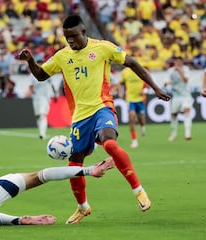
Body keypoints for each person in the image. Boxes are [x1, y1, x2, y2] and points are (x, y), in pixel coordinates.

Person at [18, 15, 171, 224]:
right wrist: (30, 61)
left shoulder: (103, 48)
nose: (69, 41)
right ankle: (83, 207)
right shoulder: (62, 56)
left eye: (73, 36)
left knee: (109, 143)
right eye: (66, 37)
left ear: (83, 32)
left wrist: (155, 87)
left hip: (102, 107)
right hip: (80, 117)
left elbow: (132, 63)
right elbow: (41, 75)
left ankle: (139, 191)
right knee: (74, 164)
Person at [117, 66, 148, 148]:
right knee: (132, 118)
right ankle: (134, 140)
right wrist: (120, 92)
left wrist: (144, 91)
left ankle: (142, 126)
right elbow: (120, 83)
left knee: (141, 119)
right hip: (130, 99)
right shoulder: (125, 72)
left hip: (140, 99)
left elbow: (147, 82)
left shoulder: (141, 69)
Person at [165, 56, 192, 141]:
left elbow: (186, 80)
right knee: (174, 114)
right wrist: (167, 83)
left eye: (179, 62)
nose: (178, 63)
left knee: (186, 111)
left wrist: (180, 71)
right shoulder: (170, 71)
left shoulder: (186, 69)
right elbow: (167, 82)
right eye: (176, 62)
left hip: (186, 95)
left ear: (182, 62)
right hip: (176, 96)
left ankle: (188, 133)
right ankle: (173, 133)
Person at [25, 68, 57, 140]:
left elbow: (52, 85)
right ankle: (41, 131)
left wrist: (55, 94)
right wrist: (30, 92)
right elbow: (31, 86)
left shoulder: (47, 74)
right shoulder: (32, 76)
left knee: (43, 115)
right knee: (38, 116)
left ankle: (42, 133)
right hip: (36, 98)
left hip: (45, 98)